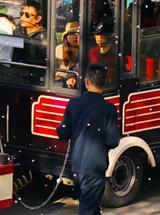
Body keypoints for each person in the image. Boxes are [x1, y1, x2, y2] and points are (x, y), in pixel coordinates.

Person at [56, 65, 121, 215]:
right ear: (104, 83)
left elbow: (63, 133)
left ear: (86, 82)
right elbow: (113, 141)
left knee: (89, 206)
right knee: (89, 208)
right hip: (96, 165)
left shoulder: (74, 104)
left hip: (77, 164)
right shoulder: (108, 109)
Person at [88, 19, 117, 87]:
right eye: (97, 35)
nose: (99, 38)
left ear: (108, 36)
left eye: (102, 35)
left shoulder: (115, 54)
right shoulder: (92, 53)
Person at [55, 21, 81, 88]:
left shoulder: (85, 52)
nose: (76, 36)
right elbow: (51, 71)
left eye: (79, 34)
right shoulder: (59, 49)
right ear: (66, 36)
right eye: (72, 34)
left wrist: (73, 78)